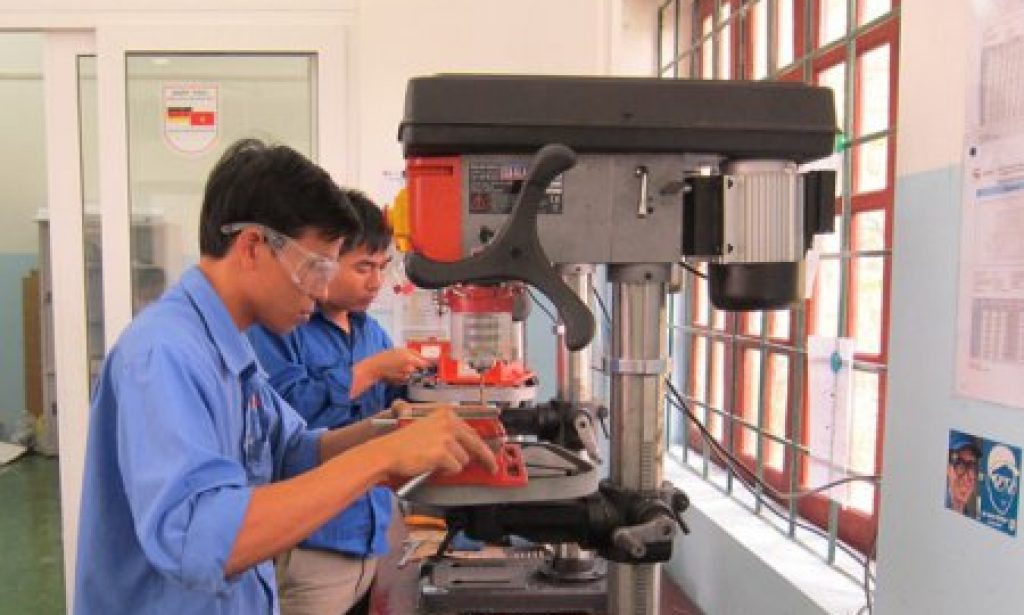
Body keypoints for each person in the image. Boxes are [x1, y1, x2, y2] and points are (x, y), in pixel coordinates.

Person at [74, 138, 496, 615]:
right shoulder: (165, 354)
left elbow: (293, 451)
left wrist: (388, 430)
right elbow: (199, 539)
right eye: (316, 267)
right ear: (253, 246)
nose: (322, 290)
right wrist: (380, 459)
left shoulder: (231, 349)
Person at [248, 190, 428, 615]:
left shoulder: (371, 332)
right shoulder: (280, 328)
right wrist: (371, 371)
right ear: (324, 259)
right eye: (363, 267)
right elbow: (291, 421)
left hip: (369, 538)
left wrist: (427, 387)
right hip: (313, 546)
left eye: (382, 267)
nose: (375, 282)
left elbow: (392, 411)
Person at [946, 432, 981, 518]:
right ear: (947, 469)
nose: (967, 478)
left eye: (972, 467)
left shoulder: (971, 517)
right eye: (960, 466)